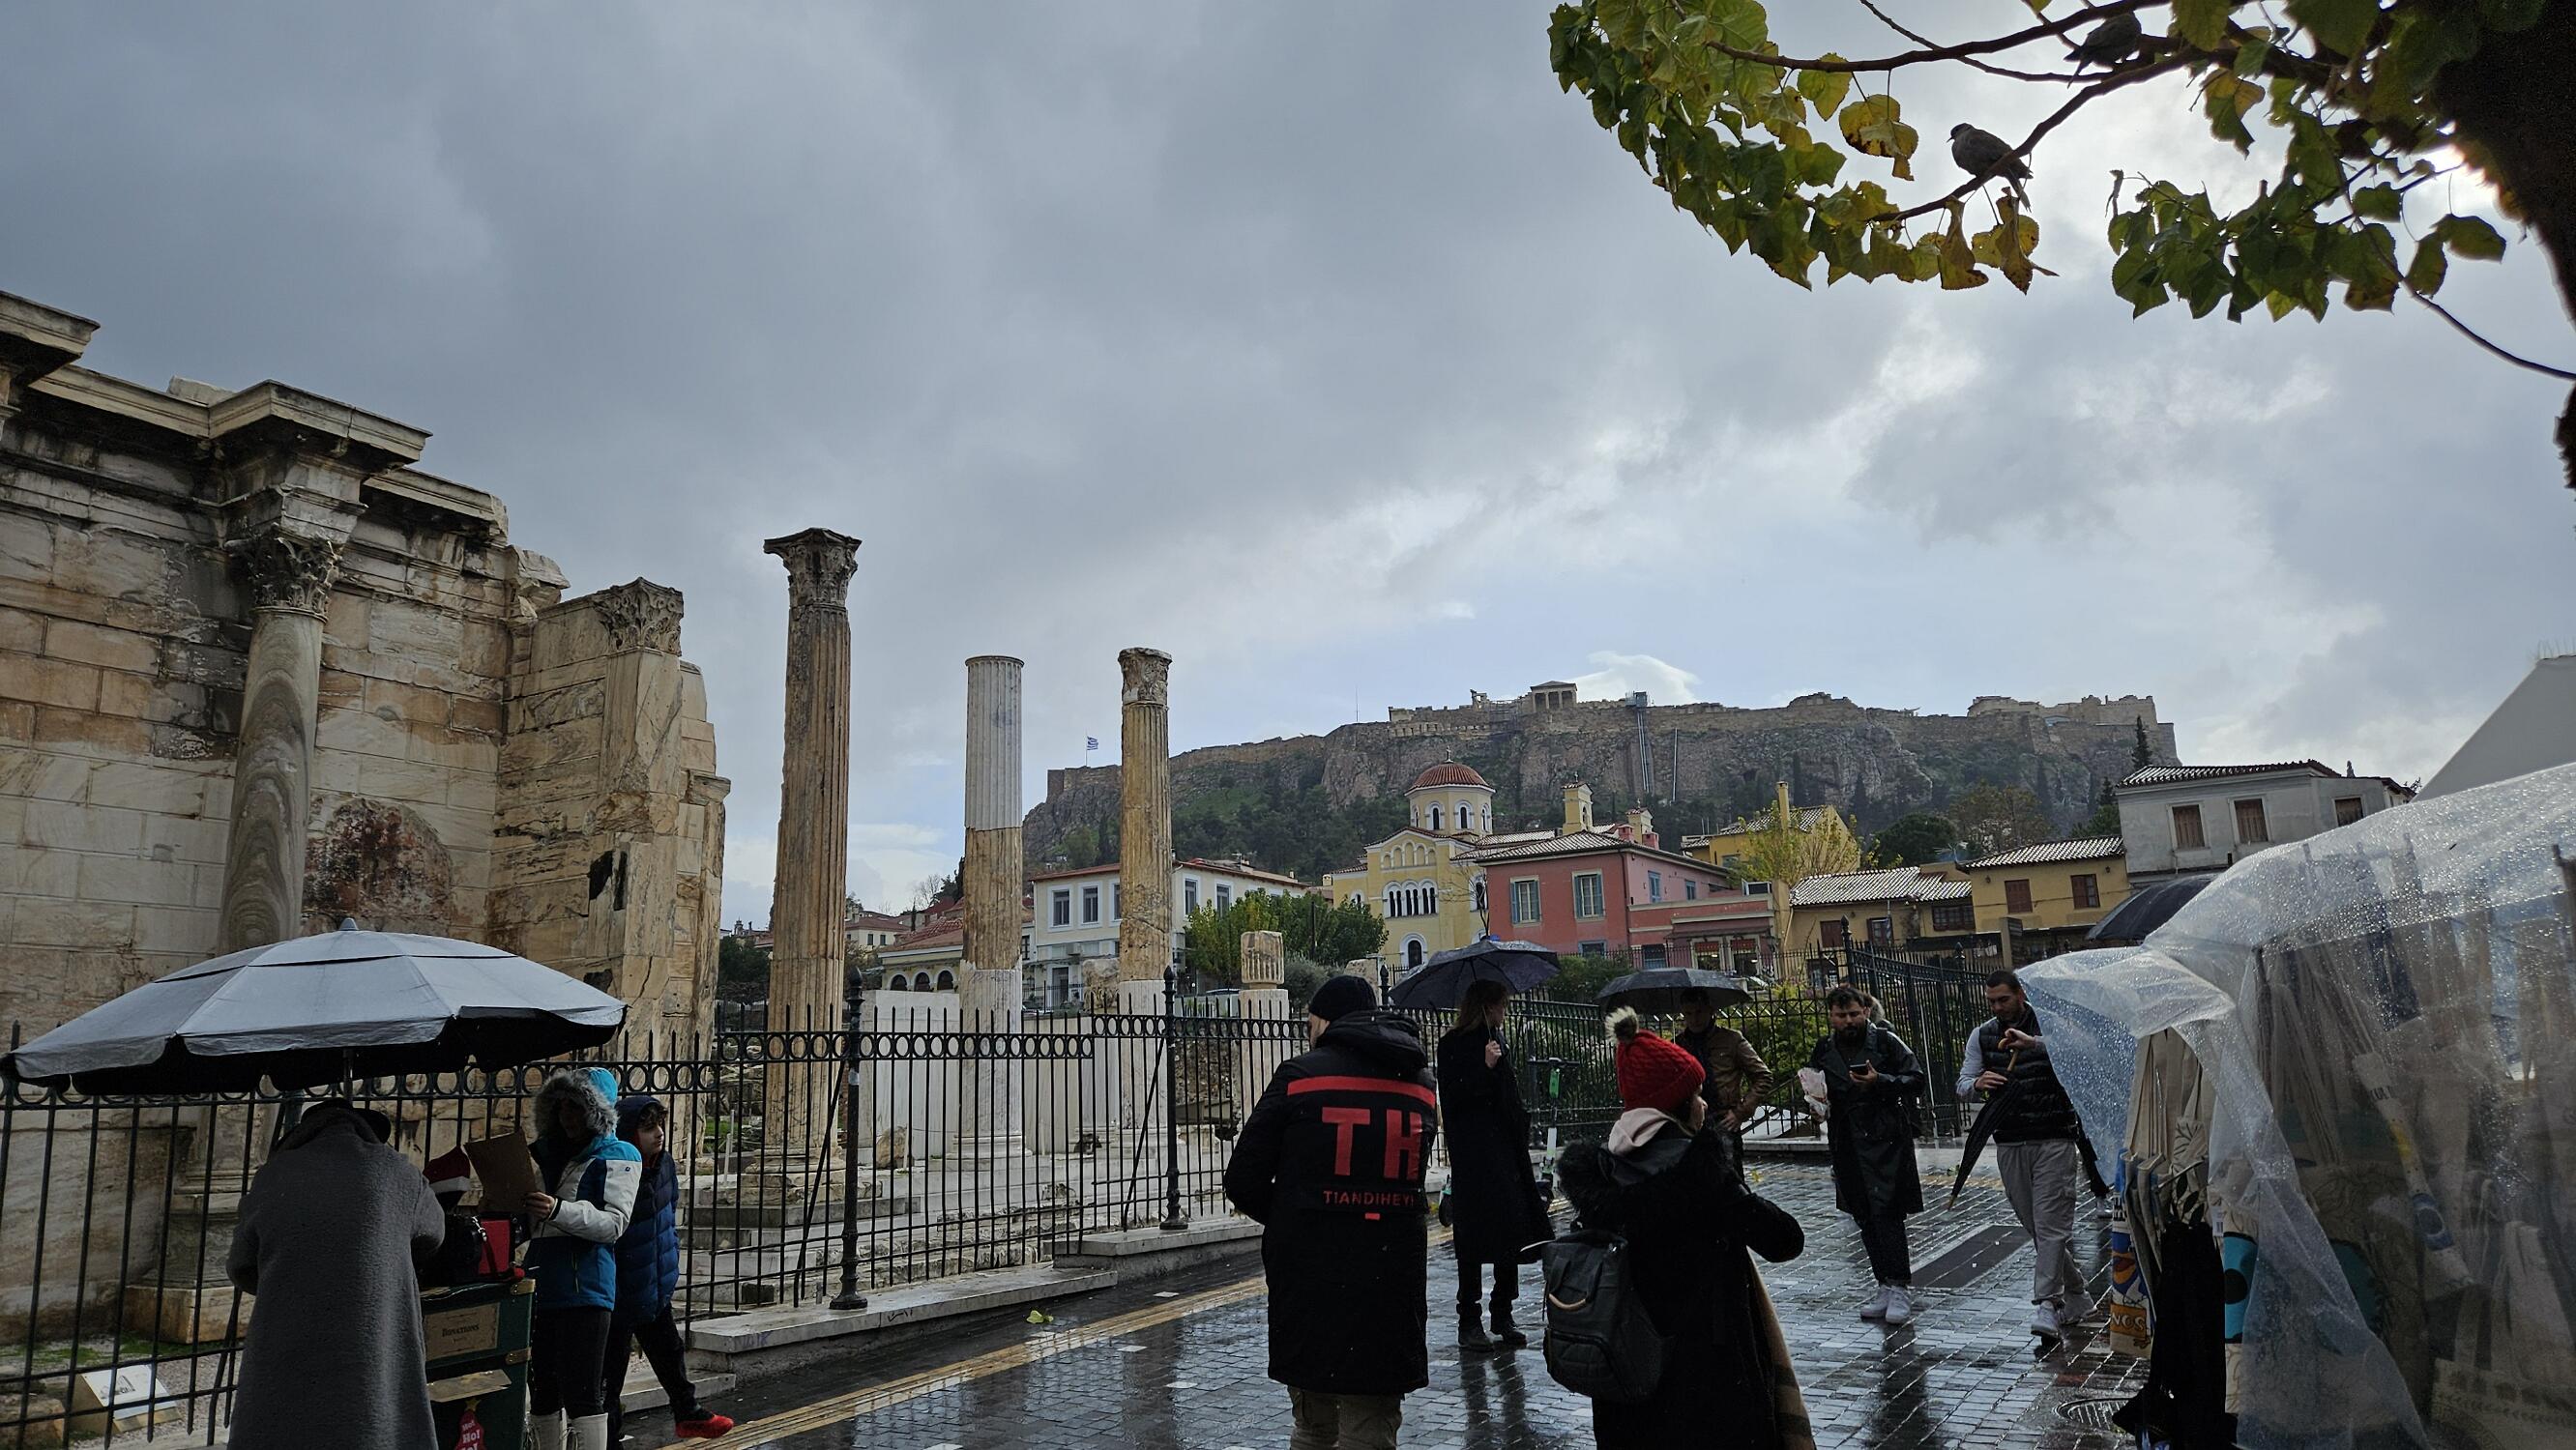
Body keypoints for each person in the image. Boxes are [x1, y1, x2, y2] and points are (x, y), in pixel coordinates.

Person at [1559, 1011, 1812, 1450]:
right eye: (1695, 1094)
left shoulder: (1600, 1175)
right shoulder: (1703, 1177)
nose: (1704, 1104)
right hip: (1708, 1380)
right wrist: (1729, 1186)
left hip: (1626, 1379)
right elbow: (1785, 1240)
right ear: (1673, 1104)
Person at [1223, 975, 1440, 1450]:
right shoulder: (1421, 1085)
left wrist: (1298, 1216)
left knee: (1314, 1426)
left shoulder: (1301, 1077)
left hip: (1311, 1275)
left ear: (1325, 1022)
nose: (1307, 1034)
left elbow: (1242, 1179)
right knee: (1371, 1427)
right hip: (1391, 1275)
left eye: (1309, 1024)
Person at [226, 1100, 446, 1450]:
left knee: (284, 1424)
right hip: (372, 1337)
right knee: (373, 1419)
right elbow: (434, 1235)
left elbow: (240, 1265)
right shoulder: (397, 1172)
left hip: (287, 1335)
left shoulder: (274, 1175)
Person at [1956, 970, 2090, 1343]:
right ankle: (2078, 1293)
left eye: (2004, 999)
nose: (1998, 1007)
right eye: (1992, 1002)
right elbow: (1962, 1084)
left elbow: (2081, 1052)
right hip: (2010, 1141)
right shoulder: (1982, 1035)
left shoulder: (2050, 1024)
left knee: (2051, 1224)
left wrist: (2034, 1044)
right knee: (2036, 1226)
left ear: (2019, 994)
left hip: (2053, 1137)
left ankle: (2047, 1303)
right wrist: (1977, 1083)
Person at [605, 1094, 733, 1440]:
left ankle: (687, 1412)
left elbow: (668, 1215)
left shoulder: (664, 1166)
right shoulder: (616, 1171)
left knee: (669, 1351)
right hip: (620, 1286)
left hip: (653, 1280)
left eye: (659, 1125)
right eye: (648, 1129)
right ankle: (607, 1438)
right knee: (611, 1371)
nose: (659, 1134)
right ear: (628, 1134)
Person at [1435, 979, 1553, 1350]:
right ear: (1486, 1007)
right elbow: (1453, 1098)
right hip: (1473, 1153)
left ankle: (1503, 1312)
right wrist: (1484, 1067)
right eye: (1501, 1005)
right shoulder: (1452, 1044)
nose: (1505, 1011)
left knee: (1510, 1230)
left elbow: (1507, 1094)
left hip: (1505, 1149)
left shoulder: (1498, 1040)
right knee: (1472, 1235)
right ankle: (1469, 1319)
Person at [528, 1066, 641, 1450]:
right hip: (543, 1285)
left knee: (582, 1394)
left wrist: (557, 1210)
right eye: (561, 1108)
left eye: (576, 1107)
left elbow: (614, 1223)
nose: (568, 1117)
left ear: (596, 1112)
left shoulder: (619, 1154)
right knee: (543, 1391)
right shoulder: (552, 1156)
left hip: (585, 1290)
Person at [1808, 984, 1926, 1324]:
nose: (1848, 1021)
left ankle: (1899, 1285)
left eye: (1853, 1014)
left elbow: (1916, 1078)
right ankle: (1884, 1284)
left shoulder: (1886, 1041)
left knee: (1888, 1213)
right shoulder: (1824, 1048)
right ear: (1831, 1016)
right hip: (1845, 1138)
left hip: (1885, 1139)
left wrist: (1881, 1081)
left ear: (1865, 1011)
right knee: (1862, 1212)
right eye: (1841, 1015)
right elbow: (1814, 1086)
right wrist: (1816, 1105)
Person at [1673, 986, 1772, 1135]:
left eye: (1699, 1012)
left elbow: (1763, 1076)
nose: (1694, 1019)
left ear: (1710, 1011)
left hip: (1723, 1118)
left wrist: (1741, 1112)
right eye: (1689, 1013)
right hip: (1689, 1121)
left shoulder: (1731, 1040)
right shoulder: (1677, 1045)